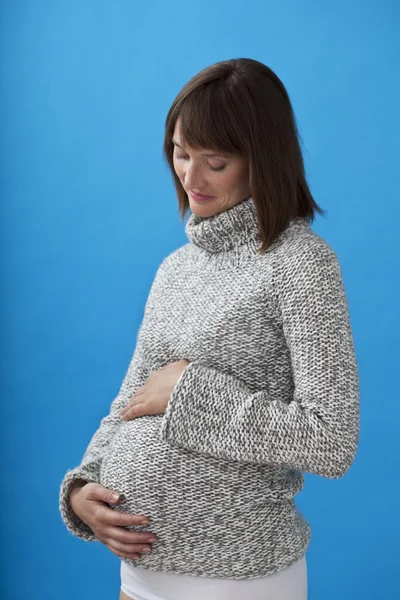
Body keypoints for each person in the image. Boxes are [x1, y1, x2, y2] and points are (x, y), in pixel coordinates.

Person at [59, 58, 360, 600]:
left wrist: (189, 393)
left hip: (240, 581)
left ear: (260, 160)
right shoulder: (175, 269)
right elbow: (130, 401)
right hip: (140, 578)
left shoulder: (302, 265)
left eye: (215, 162)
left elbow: (330, 439)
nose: (190, 178)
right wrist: (84, 487)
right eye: (180, 152)